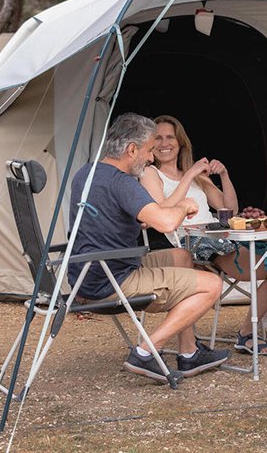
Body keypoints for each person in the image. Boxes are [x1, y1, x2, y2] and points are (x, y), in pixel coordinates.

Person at [67, 112, 229, 382]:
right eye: (149, 150)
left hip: (88, 272)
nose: (152, 158)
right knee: (212, 285)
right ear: (131, 150)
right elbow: (166, 223)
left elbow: (132, 218)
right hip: (112, 280)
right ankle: (145, 352)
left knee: (181, 256)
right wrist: (184, 206)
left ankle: (188, 353)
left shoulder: (87, 172)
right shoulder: (122, 182)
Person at [139, 115, 267, 357]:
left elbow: (229, 209)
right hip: (184, 243)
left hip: (217, 238)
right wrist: (189, 176)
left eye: (170, 137)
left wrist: (224, 175)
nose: (164, 143)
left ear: (180, 142)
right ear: (151, 144)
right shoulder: (151, 173)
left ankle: (247, 332)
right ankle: (194, 345)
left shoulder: (194, 174)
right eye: (158, 138)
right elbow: (160, 210)